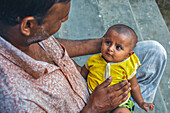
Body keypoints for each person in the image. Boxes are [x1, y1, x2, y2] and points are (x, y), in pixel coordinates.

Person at [0, 0, 167, 113]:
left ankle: (140, 103)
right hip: (92, 105)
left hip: (94, 85)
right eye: (60, 19)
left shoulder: (22, 35)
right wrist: (94, 107)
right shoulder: (18, 101)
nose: (65, 19)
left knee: (154, 51)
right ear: (28, 25)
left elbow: (52, 43)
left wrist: (106, 44)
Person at [81, 24, 154, 113]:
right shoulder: (92, 60)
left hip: (119, 103)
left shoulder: (128, 66)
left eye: (118, 47)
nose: (110, 49)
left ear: (128, 55)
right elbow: (82, 75)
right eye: (108, 42)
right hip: (93, 99)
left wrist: (141, 102)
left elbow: (134, 86)